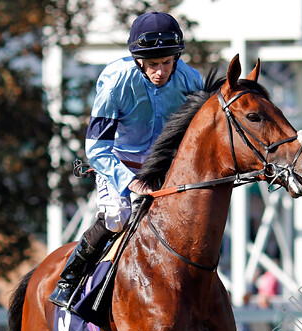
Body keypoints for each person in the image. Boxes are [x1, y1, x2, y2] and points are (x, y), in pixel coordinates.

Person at [49, 11, 204, 309]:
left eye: (167, 62)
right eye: (153, 64)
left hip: (164, 168)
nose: (160, 71)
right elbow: (96, 148)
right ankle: (68, 279)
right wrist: (131, 181)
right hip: (117, 164)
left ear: (177, 58)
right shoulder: (117, 81)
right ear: (138, 61)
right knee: (117, 218)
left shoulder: (190, 79)